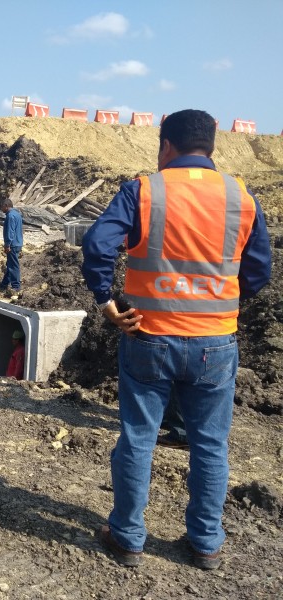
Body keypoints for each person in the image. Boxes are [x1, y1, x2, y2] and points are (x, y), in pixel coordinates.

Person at [81, 109, 271, 570]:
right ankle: (205, 542)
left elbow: (97, 245)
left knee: (139, 438)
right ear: (211, 146)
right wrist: (219, 298)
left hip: (148, 336)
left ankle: (127, 537)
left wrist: (107, 301)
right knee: (209, 444)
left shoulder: (144, 190)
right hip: (215, 343)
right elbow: (260, 269)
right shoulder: (240, 196)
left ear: (166, 145)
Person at [0, 199, 23, 295]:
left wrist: (7, 244)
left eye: (2, 207)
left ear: (6, 205)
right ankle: (3, 285)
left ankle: (16, 286)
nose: (1, 209)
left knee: (13, 266)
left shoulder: (10, 216)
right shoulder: (17, 214)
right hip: (18, 243)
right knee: (10, 264)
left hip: (12, 244)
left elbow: (10, 231)